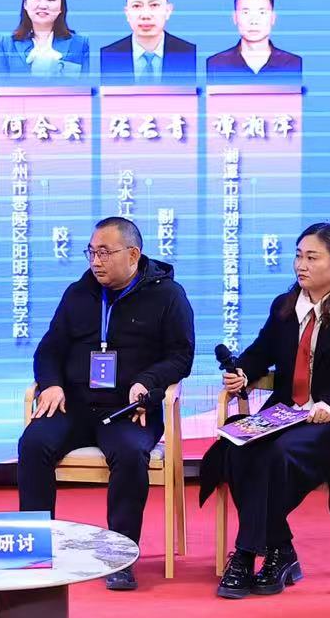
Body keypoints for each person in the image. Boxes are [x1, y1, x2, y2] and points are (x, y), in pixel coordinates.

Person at [200, 223, 330, 598]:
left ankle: (245, 554)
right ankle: (279, 550)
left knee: (275, 454)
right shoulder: (286, 306)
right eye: (298, 256)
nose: (301, 265)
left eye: (312, 257)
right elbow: (261, 351)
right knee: (236, 446)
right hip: (287, 414)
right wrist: (244, 372)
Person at [16, 216, 195, 591]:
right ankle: (34, 546)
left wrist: (148, 382)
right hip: (74, 405)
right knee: (33, 443)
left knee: (130, 454)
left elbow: (181, 356)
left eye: (104, 253)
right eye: (91, 252)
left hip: (129, 410)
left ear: (133, 254)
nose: (95, 261)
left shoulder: (168, 295)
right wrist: (51, 384)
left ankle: (120, 555)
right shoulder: (78, 293)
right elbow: (49, 349)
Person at [204, 0, 303, 86]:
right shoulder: (215, 65)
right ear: (235, 18)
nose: (254, 21)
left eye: (262, 12)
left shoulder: (295, 65)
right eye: (245, 12)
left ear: (273, 18)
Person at [100, 0, 198, 83]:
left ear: (168, 11)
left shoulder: (191, 54)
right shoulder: (106, 57)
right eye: (136, 6)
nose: (145, 15)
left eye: (154, 5)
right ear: (127, 13)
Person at [0, 0, 92, 80]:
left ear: (61, 7)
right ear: (25, 4)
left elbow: (86, 86)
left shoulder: (81, 44)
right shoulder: (7, 44)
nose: (43, 5)